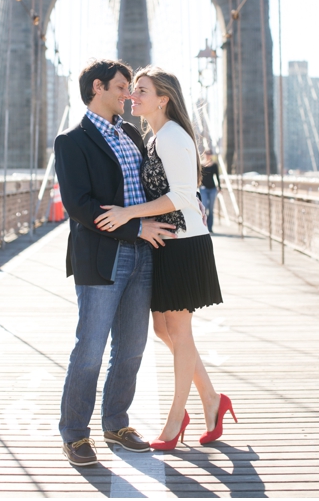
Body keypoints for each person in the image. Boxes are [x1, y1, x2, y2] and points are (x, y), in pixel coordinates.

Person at [95, 65, 235, 450]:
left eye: (141, 90)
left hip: (184, 243)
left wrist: (127, 214)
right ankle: (212, 398)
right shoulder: (154, 137)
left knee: (180, 332)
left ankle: (177, 418)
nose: (132, 96)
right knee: (163, 330)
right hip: (167, 242)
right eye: (132, 89)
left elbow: (184, 197)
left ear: (163, 99)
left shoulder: (172, 136)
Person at [55, 59, 178, 467]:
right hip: (103, 258)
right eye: (123, 86)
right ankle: (74, 434)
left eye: (131, 87)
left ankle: (117, 423)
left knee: (131, 348)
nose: (129, 94)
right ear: (98, 87)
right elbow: (80, 206)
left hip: (144, 255)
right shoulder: (71, 141)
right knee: (90, 349)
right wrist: (135, 230)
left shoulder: (131, 133)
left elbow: (147, 187)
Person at [199, 150, 221, 233]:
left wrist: (219, 187)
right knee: (204, 207)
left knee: (211, 209)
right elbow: (198, 177)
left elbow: (217, 177)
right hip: (203, 188)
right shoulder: (201, 165)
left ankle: (210, 227)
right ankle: (204, 226)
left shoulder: (214, 165)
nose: (208, 155)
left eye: (210, 154)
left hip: (212, 189)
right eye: (207, 154)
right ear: (204, 155)